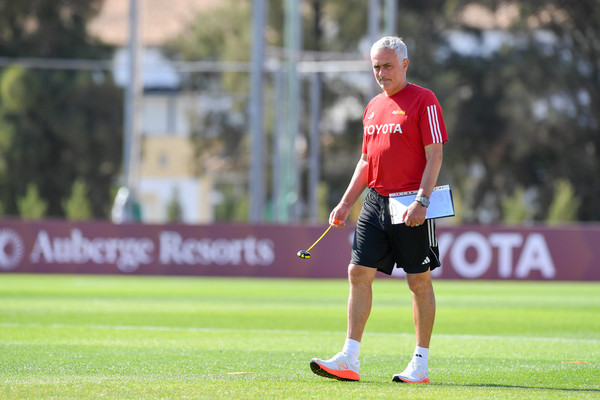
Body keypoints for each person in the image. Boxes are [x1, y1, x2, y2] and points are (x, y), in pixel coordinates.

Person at [309, 36, 448, 383]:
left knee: (418, 281)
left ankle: (420, 363)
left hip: (410, 203)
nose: (381, 73)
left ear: (404, 64)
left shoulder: (424, 100)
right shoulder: (372, 107)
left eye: (387, 65)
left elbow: (435, 155)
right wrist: (345, 202)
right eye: (376, 67)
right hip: (375, 202)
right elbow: (366, 161)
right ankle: (349, 358)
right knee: (358, 273)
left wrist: (422, 200)